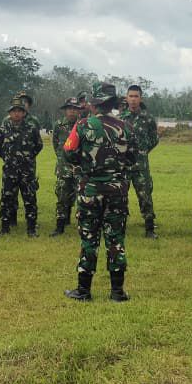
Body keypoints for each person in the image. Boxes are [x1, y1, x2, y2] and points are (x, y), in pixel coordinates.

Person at [64, 83, 136, 302]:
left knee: (89, 239)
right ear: (113, 104)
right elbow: (133, 157)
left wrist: (84, 167)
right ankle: (117, 292)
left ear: (94, 104)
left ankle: (83, 290)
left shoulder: (82, 125)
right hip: (117, 192)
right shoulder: (126, 127)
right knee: (116, 240)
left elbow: (68, 152)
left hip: (90, 191)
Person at [0, 100, 44, 236]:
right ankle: (5, 228)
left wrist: (28, 157)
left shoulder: (31, 128)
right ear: (9, 113)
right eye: (14, 111)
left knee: (30, 200)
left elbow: (38, 145)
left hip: (27, 171)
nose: (16, 114)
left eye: (19, 111)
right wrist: (8, 158)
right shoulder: (3, 129)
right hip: (9, 171)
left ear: (24, 113)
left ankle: (31, 229)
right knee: (6, 199)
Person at [119, 83, 160, 238]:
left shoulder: (147, 118)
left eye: (136, 96)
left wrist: (143, 151)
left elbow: (154, 138)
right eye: (131, 96)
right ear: (126, 98)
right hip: (123, 165)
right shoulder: (120, 119)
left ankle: (149, 229)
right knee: (120, 197)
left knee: (145, 197)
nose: (133, 99)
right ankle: (119, 227)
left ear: (140, 98)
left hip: (141, 166)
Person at [50, 98, 82, 236]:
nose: (72, 111)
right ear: (65, 110)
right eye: (69, 108)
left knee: (82, 197)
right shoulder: (59, 125)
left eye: (75, 109)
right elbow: (56, 144)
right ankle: (60, 226)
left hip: (80, 168)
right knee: (62, 196)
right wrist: (62, 159)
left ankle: (82, 226)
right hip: (64, 167)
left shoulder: (83, 125)